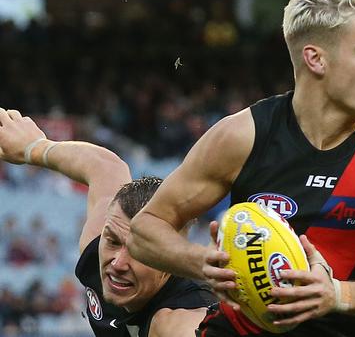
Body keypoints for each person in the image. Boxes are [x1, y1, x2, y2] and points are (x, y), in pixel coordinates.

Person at [127, 0, 355, 337]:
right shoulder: (243, 135)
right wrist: (206, 264)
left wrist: (336, 295)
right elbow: (144, 231)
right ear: (315, 59)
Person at [0, 108, 217, 337]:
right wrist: (35, 148)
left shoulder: (181, 321)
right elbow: (105, 166)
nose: (117, 264)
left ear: (171, 255)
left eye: (139, 251)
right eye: (112, 242)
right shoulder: (99, 243)